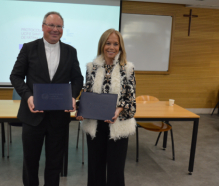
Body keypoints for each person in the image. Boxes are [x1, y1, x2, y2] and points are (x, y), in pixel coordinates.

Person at [10, 11, 83, 186]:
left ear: (62, 30)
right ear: (43, 27)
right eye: (51, 25)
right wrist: (27, 96)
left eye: (59, 26)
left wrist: (73, 96)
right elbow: (16, 76)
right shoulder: (28, 48)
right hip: (32, 115)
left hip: (59, 118)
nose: (55, 29)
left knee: (54, 163)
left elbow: (78, 79)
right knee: (30, 162)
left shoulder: (70, 51)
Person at [76, 29, 136, 186]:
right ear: (102, 45)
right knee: (95, 168)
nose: (112, 47)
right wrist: (81, 109)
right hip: (95, 125)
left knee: (116, 170)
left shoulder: (127, 68)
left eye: (116, 44)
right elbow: (87, 93)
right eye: (108, 43)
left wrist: (118, 110)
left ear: (120, 46)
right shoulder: (91, 68)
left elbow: (130, 98)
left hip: (118, 124)